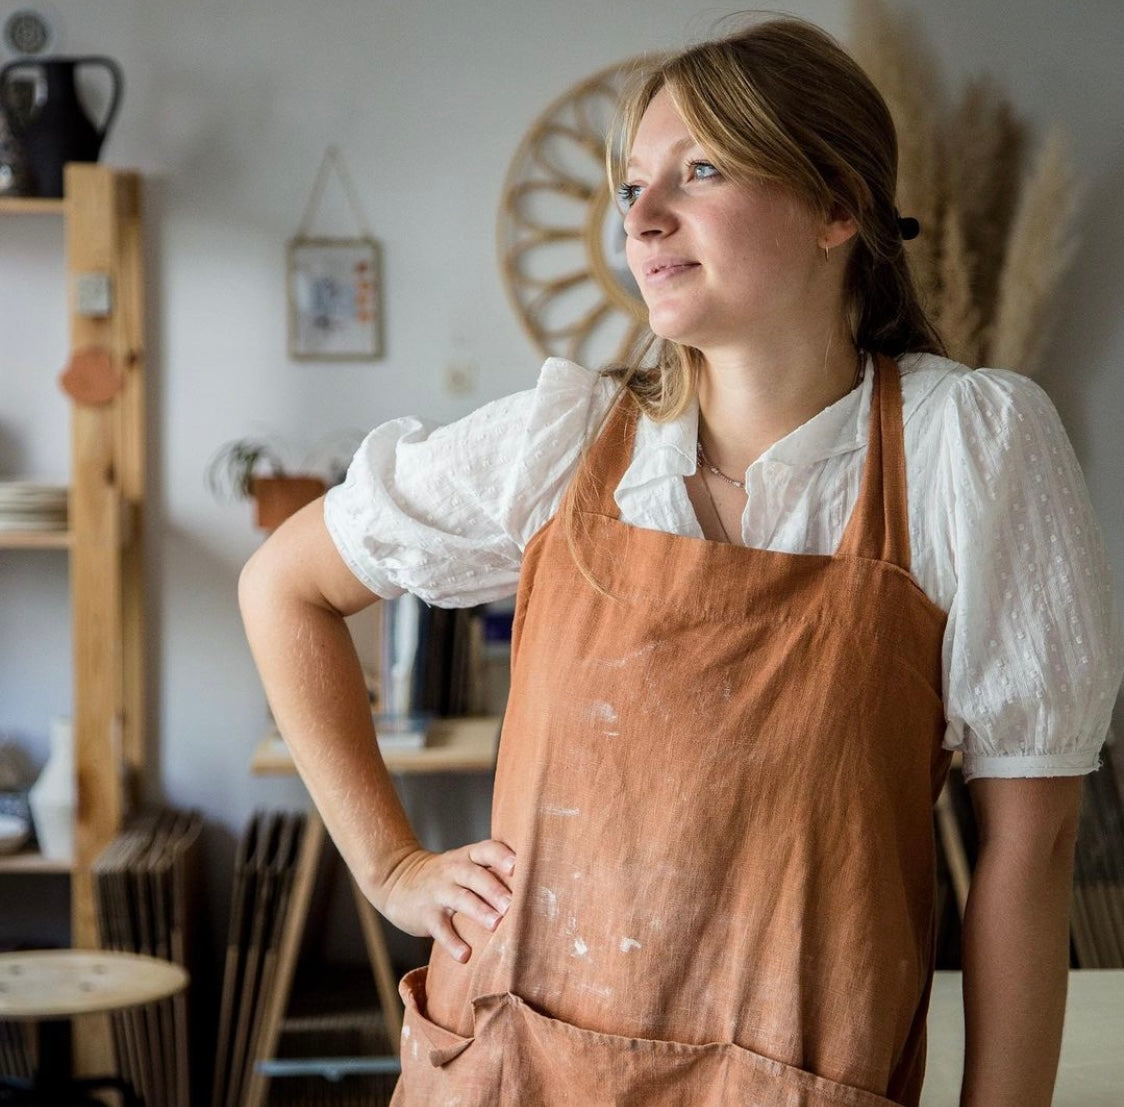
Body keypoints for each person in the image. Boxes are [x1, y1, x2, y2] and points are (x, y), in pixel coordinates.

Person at [239, 17, 1124, 1107]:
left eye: (697, 171)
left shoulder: (965, 450)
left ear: (836, 206)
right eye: (629, 186)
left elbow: (1029, 856)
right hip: (511, 1068)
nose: (642, 219)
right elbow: (283, 586)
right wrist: (392, 868)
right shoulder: (561, 445)